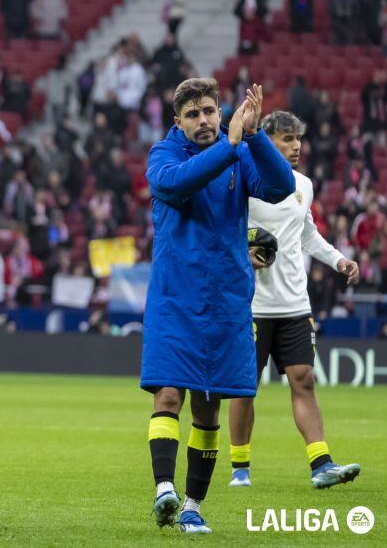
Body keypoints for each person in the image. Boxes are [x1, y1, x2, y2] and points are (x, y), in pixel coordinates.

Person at [142, 78, 295, 534]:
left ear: (221, 113)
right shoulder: (163, 156)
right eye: (193, 114)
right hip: (175, 299)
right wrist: (230, 147)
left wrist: (254, 136)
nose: (204, 120)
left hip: (226, 302)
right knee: (168, 394)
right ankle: (164, 490)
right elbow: (175, 185)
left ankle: (192, 506)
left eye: (210, 110)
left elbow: (281, 185)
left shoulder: (239, 150)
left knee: (208, 409)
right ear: (178, 122)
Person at [228, 111, 362, 489]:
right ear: (266, 140)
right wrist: (243, 251)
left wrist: (338, 259)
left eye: (298, 138)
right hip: (250, 305)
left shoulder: (303, 184)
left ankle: (321, 464)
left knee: (303, 380)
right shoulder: (244, 181)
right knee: (244, 386)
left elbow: (306, 234)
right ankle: (240, 469)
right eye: (287, 139)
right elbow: (223, 232)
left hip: (293, 304)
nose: (297, 145)